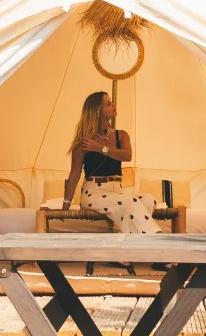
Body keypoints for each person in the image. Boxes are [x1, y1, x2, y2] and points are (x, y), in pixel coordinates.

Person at [62, 90, 159, 232]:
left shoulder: (121, 135)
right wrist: (65, 206)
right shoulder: (84, 141)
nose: (114, 105)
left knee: (149, 200)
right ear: (98, 111)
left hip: (118, 192)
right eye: (108, 104)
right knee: (130, 201)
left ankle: (131, 239)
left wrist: (100, 148)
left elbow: (127, 156)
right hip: (93, 193)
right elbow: (75, 174)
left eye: (112, 102)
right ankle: (154, 237)